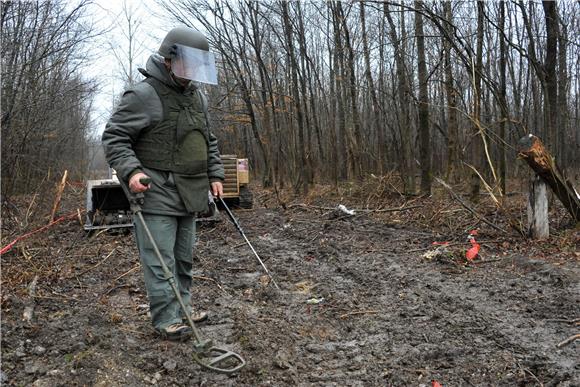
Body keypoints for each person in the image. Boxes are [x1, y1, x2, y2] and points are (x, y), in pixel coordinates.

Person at [102, 27, 224, 341]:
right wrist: (131, 172)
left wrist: (216, 175)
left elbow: (206, 140)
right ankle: (166, 319)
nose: (194, 70)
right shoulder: (143, 94)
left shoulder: (196, 96)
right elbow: (115, 137)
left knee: (184, 258)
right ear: (169, 58)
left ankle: (183, 308)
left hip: (191, 191)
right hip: (155, 191)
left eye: (200, 63)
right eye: (189, 61)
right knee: (160, 261)